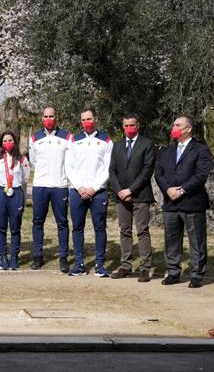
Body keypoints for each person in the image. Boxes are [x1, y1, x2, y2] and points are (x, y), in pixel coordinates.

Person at [155, 115, 212, 288]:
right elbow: (159, 173)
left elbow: (201, 175)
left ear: (188, 129)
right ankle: (173, 271)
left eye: (178, 125)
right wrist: (168, 189)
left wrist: (182, 189)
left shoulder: (201, 150)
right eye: (174, 125)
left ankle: (196, 274)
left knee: (196, 239)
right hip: (170, 203)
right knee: (171, 239)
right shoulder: (167, 150)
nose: (174, 128)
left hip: (192, 201)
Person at [64, 108, 113, 277]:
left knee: (100, 228)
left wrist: (94, 187)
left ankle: (100, 265)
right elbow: (68, 166)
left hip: (98, 192)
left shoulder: (106, 140)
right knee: (77, 228)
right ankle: (79, 264)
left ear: (96, 119)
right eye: (83, 119)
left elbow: (108, 169)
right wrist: (79, 187)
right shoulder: (74, 141)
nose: (87, 122)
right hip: (77, 191)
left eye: (89, 118)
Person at [108, 113, 156, 282]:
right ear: (123, 127)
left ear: (138, 126)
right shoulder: (117, 146)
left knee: (142, 230)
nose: (129, 128)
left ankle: (144, 268)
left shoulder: (147, 144)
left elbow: (147, 170)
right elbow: (112, 170)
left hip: (140, 195)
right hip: (121, 196)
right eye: (126, 125)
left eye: (132, 125)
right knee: (124, 231)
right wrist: (120, 190)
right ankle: (126, 265)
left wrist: (131, 190)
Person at [28, 106, 71, 272]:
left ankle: (63, 257)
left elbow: (69, 160)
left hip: (60, 186)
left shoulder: (67, 137)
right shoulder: (34, 138)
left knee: (62, 222)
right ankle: (37, 256)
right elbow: (33, 162)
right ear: (42, 118)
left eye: (51, 116)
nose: (49, 119)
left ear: (57, 117)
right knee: (38, 222)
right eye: (46, 116)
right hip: (40, 186)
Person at [0, 131, 30, 270]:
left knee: (15, 228)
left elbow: (25, 178)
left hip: (16, 192)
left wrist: (14, 185)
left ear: (14, 141)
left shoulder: (22, 159)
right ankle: (3, 257)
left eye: (10, 140)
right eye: (5, 140)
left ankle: (14, 257)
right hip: (1, 193)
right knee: (1, 228)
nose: (7, 143)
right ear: (1, 143)